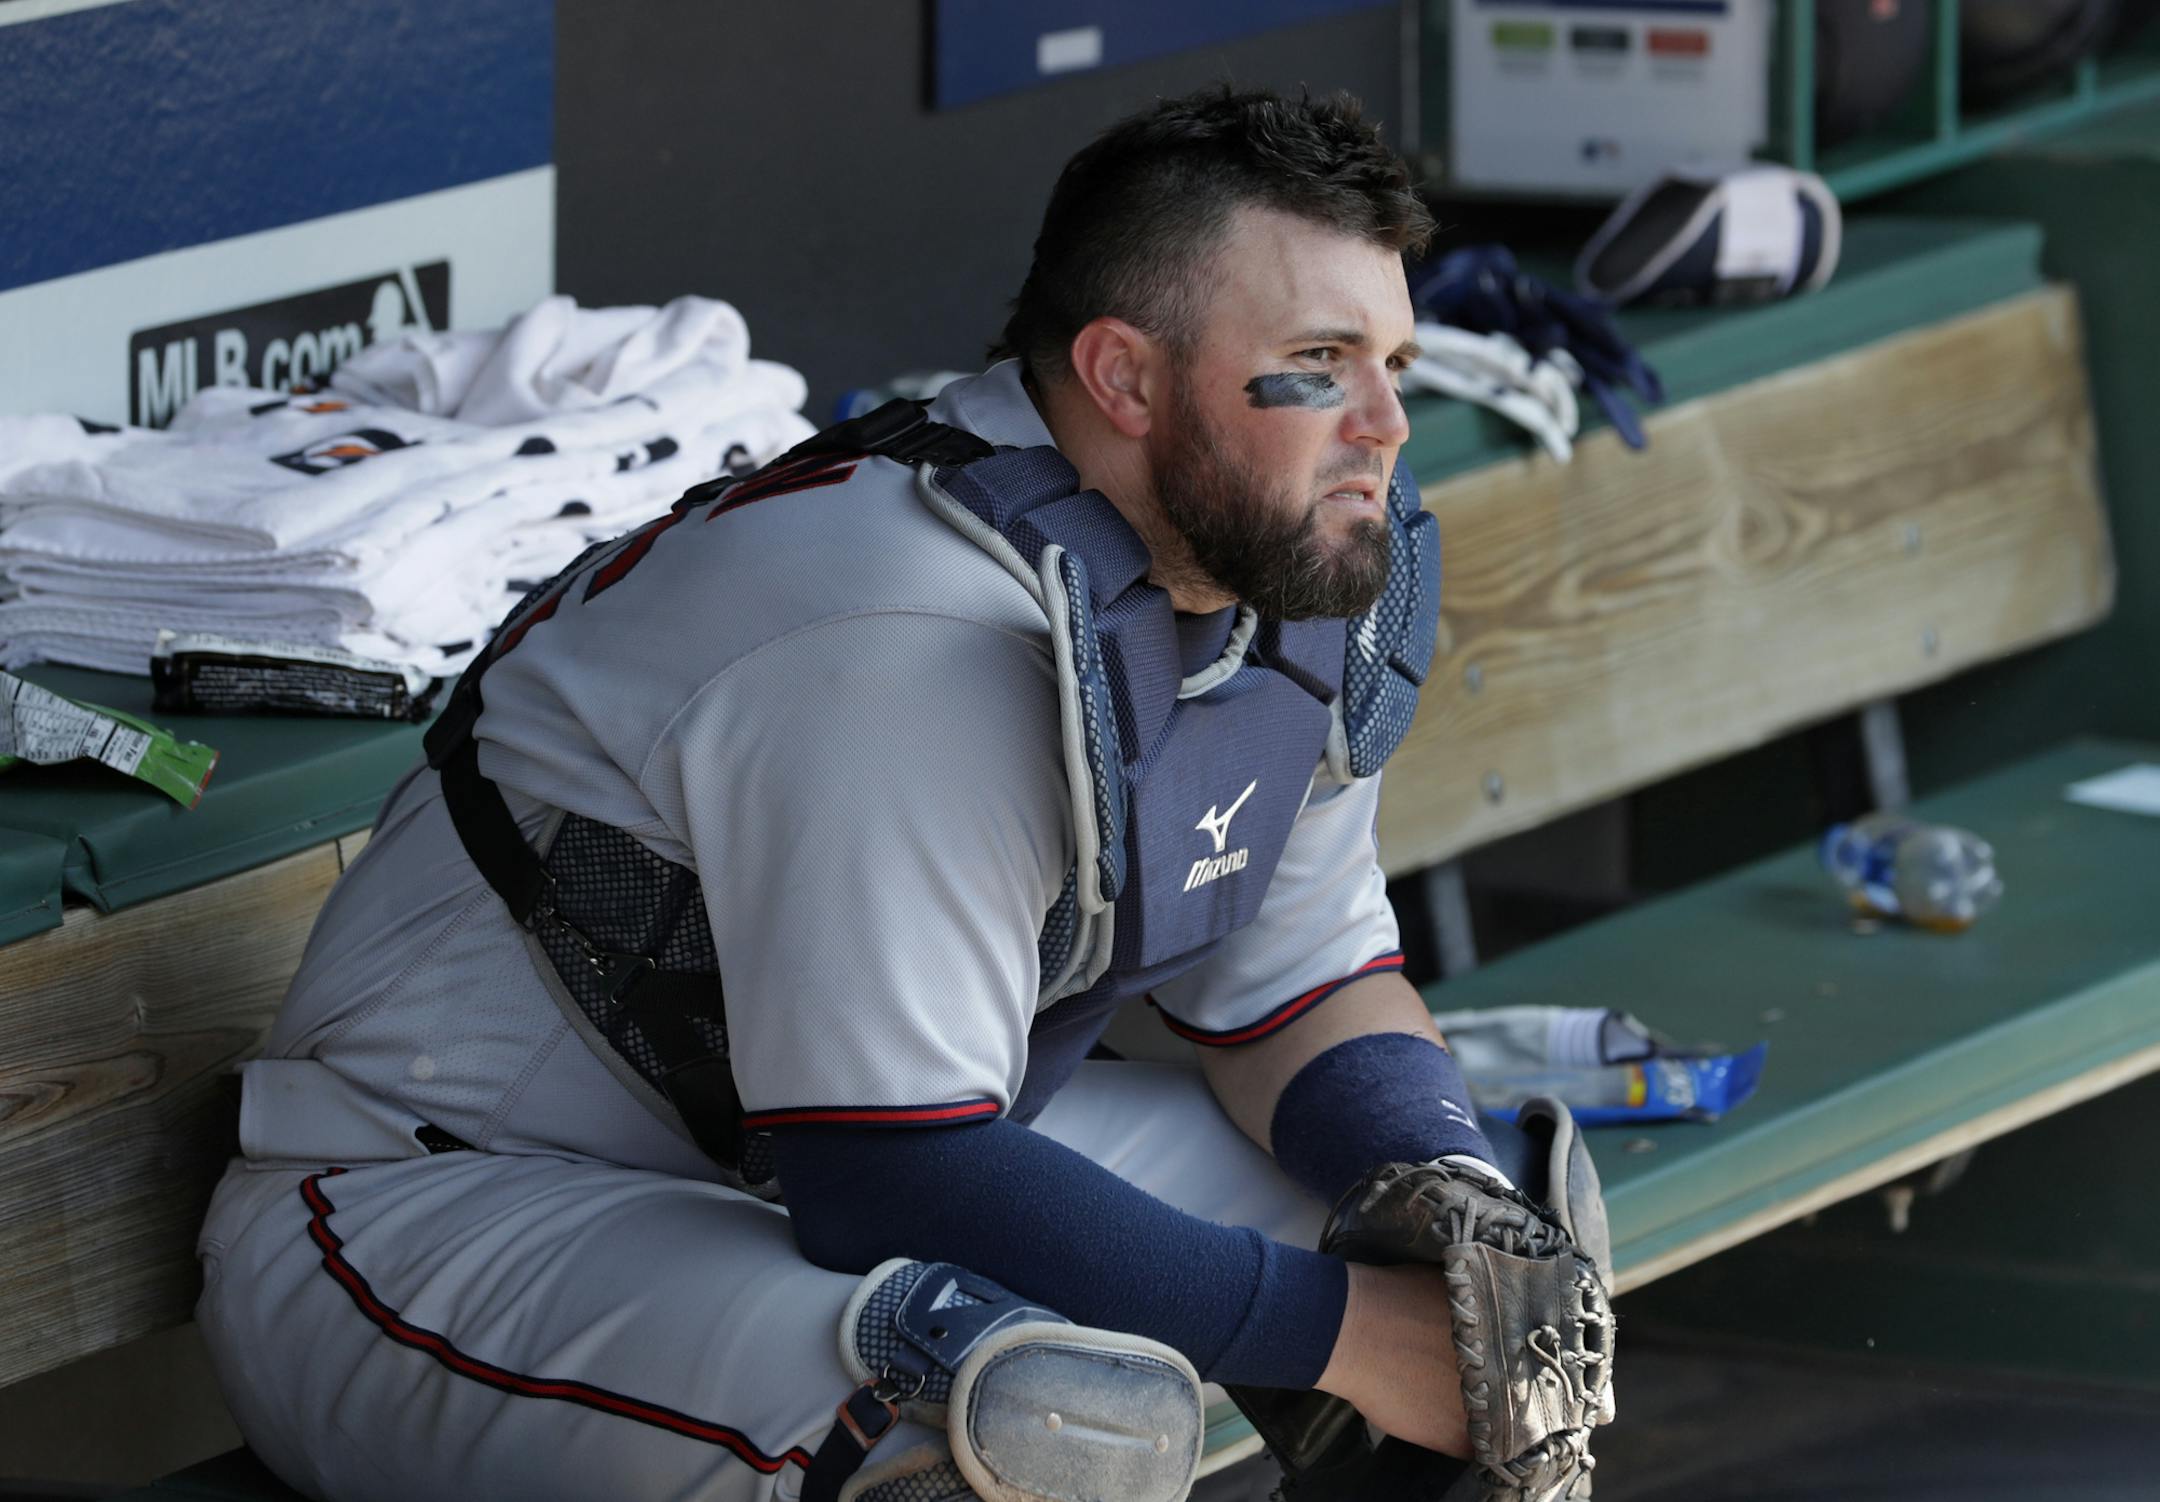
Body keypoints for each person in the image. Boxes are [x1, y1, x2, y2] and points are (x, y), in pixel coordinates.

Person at [196, 86, 1583, 1502]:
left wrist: (1451, 1214)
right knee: (1013, 1430)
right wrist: (1349, 1336)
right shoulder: (908, 630)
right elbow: (892, 1173)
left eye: (1392, 359)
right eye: (1322, 359)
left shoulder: (1247, 571)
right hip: (441, 1212)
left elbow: (1297, 994)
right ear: (1127, 378)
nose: (1388, 423)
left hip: (787, 1176)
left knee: (1484, 1272)